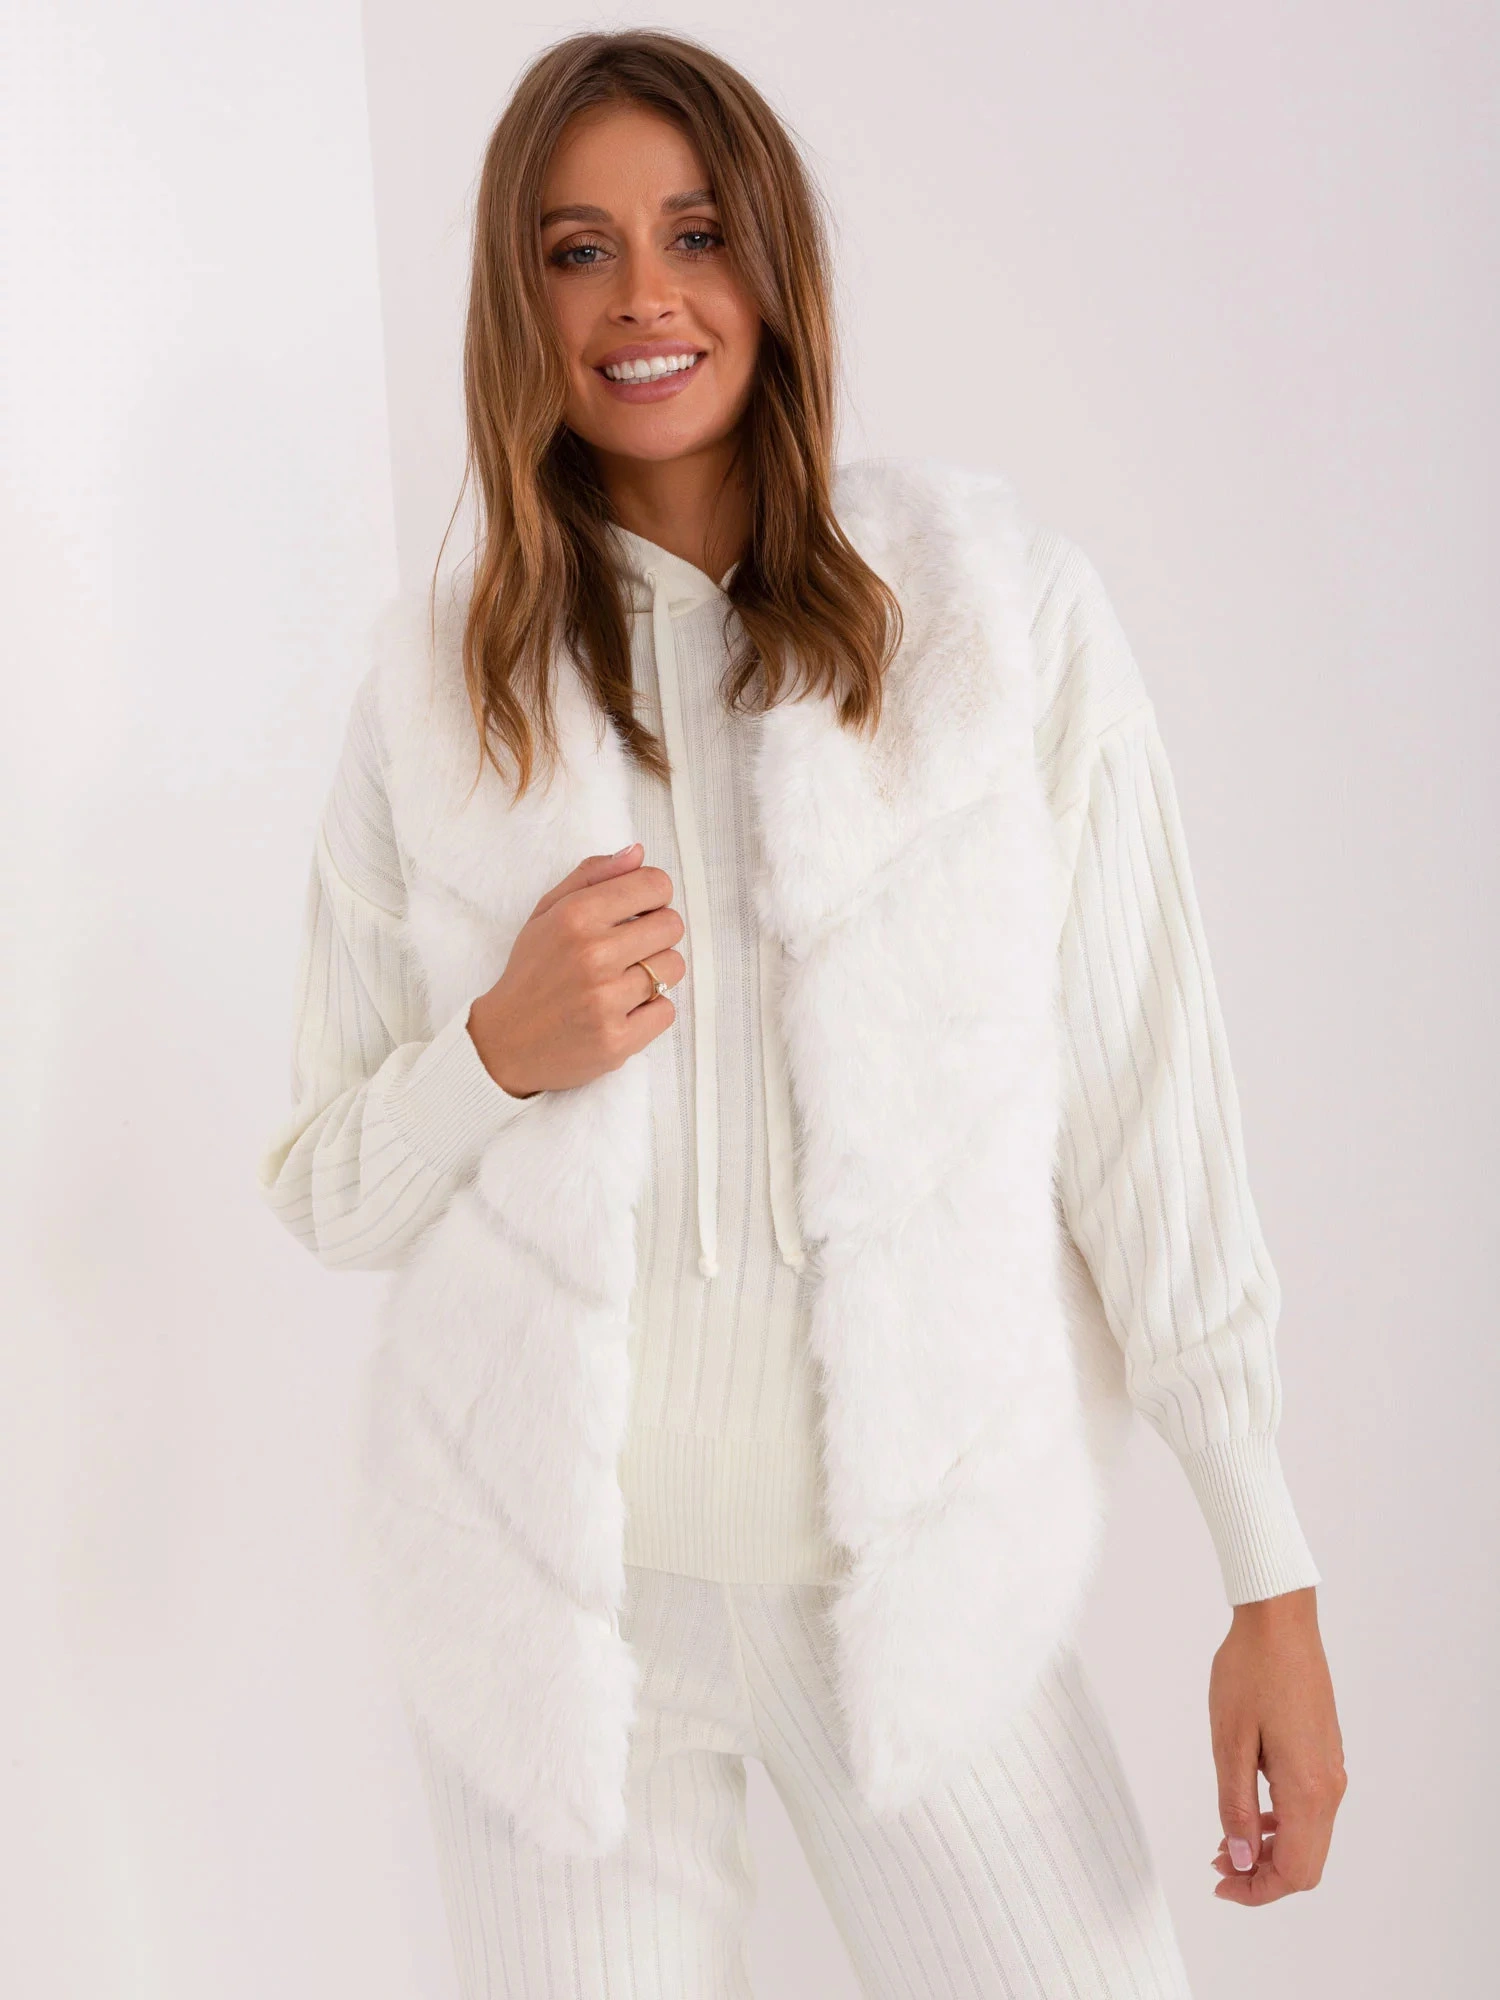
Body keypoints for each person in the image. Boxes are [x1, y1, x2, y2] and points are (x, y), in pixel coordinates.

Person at [257, 27, 1346, 1999]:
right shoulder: (438, 691)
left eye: (694, 233)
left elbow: (1148, 1109)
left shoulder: (994, 621)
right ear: (518, 302)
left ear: (775, 264)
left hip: (913, 1598)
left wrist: (1266, 1568)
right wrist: (496, 1052)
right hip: (554, 1629)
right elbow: (327, 1181)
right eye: (577, 250)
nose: (643, 296)